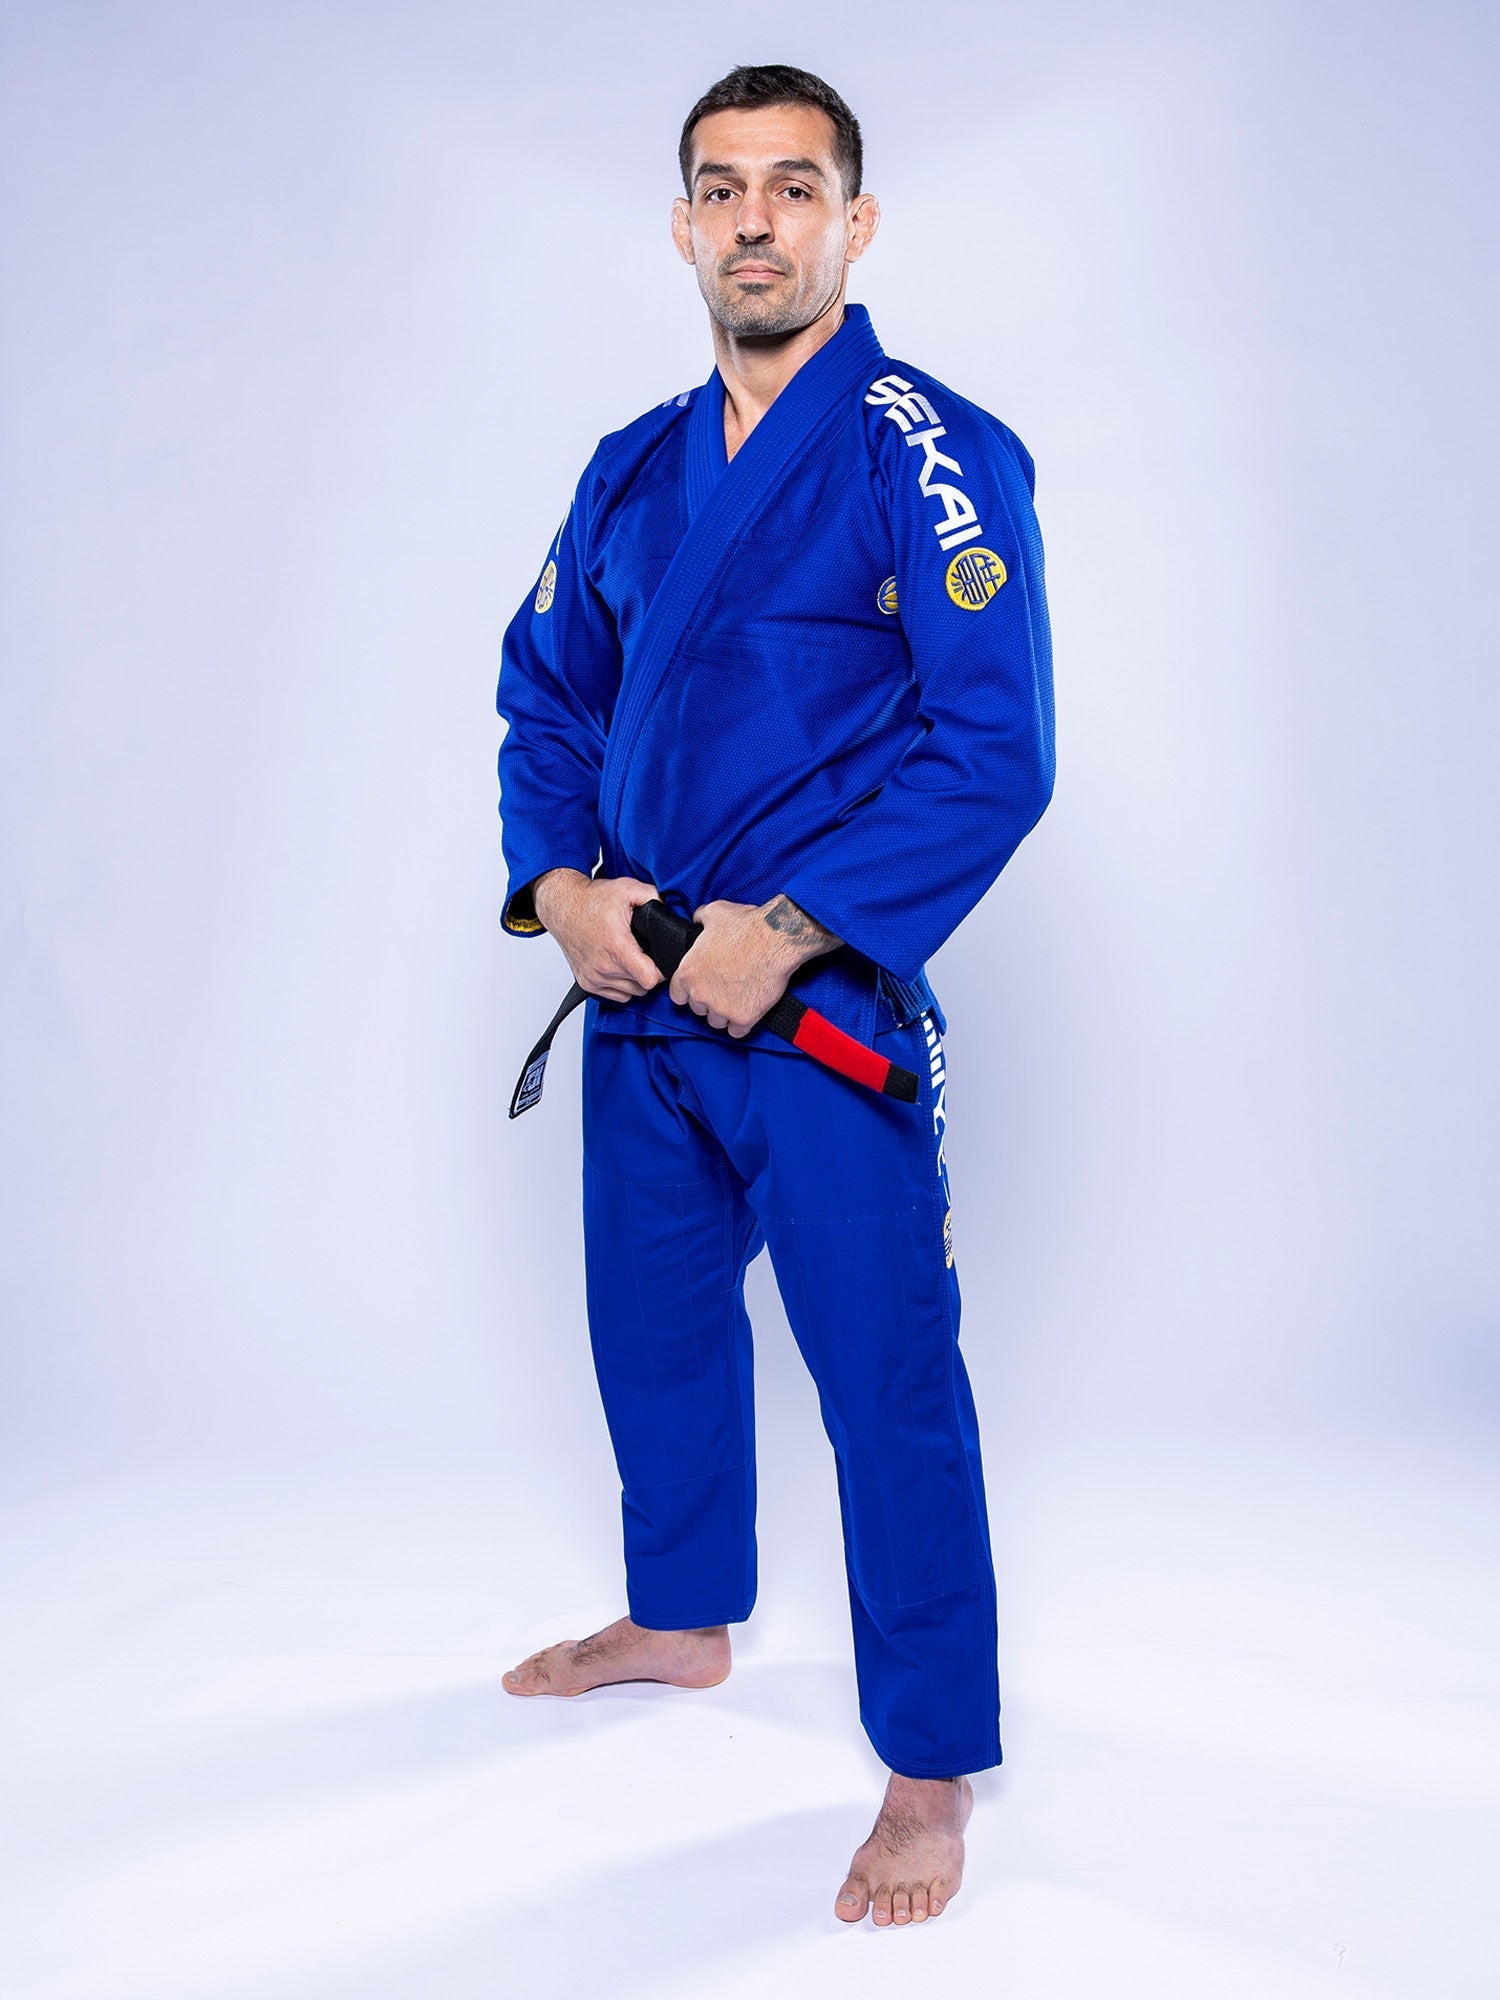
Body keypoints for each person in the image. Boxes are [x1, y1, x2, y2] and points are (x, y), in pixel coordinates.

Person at [494, 63, 1054, 1928]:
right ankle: (680, 1615)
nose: (757, 220)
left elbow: (994, 752)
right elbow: (547, 694)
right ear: (683, 226)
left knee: (886, 1379)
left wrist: (796, 928)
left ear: (853, 224)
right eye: (723, 189)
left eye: (795, 187)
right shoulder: (633, 467)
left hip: (817, 1014)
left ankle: (930, 1764)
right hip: (640, 991)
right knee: (651, 1330)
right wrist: (563, 887)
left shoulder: (930, 449)